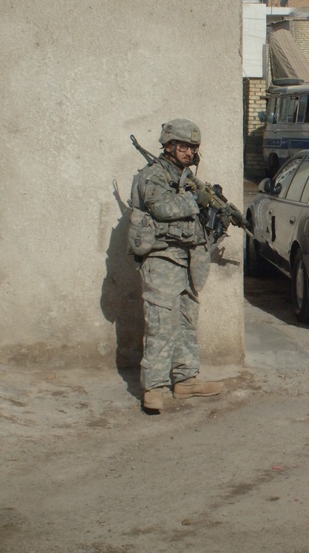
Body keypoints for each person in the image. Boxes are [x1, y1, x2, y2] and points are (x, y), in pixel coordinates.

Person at [130, 119, 222, 412]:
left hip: (189, 258)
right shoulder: (152, 176)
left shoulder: (186, 178)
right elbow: (162, 208)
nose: (189, 152)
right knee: (161, 324)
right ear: (168, 145)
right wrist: (196, 200)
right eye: (184, 146)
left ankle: (186, 380)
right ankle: (154, 388)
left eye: (193, 147)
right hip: (162, 257)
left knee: (186, 321)